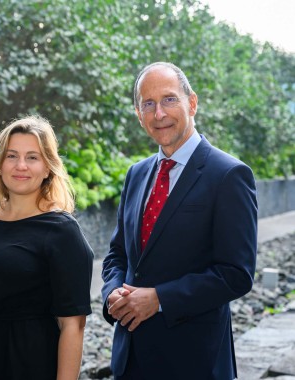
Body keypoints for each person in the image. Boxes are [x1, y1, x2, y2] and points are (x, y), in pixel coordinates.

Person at [101, 61, 258, 380]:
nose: (159, 113)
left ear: (193, 102)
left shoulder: (229, 175)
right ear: (138, 114)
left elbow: (236, 274)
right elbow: (118, 254)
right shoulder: (137, 174)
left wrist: (159, 299)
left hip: (194, 363)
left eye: (169, 99)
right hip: (130, 360)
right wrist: (112, 293)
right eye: (148, 104)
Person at [0, 116, 94, 380]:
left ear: (48, 168)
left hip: (30, 361)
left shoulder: (62, 230)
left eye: (32, 157)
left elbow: (72, 325)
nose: (20, 166)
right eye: (11, 156)